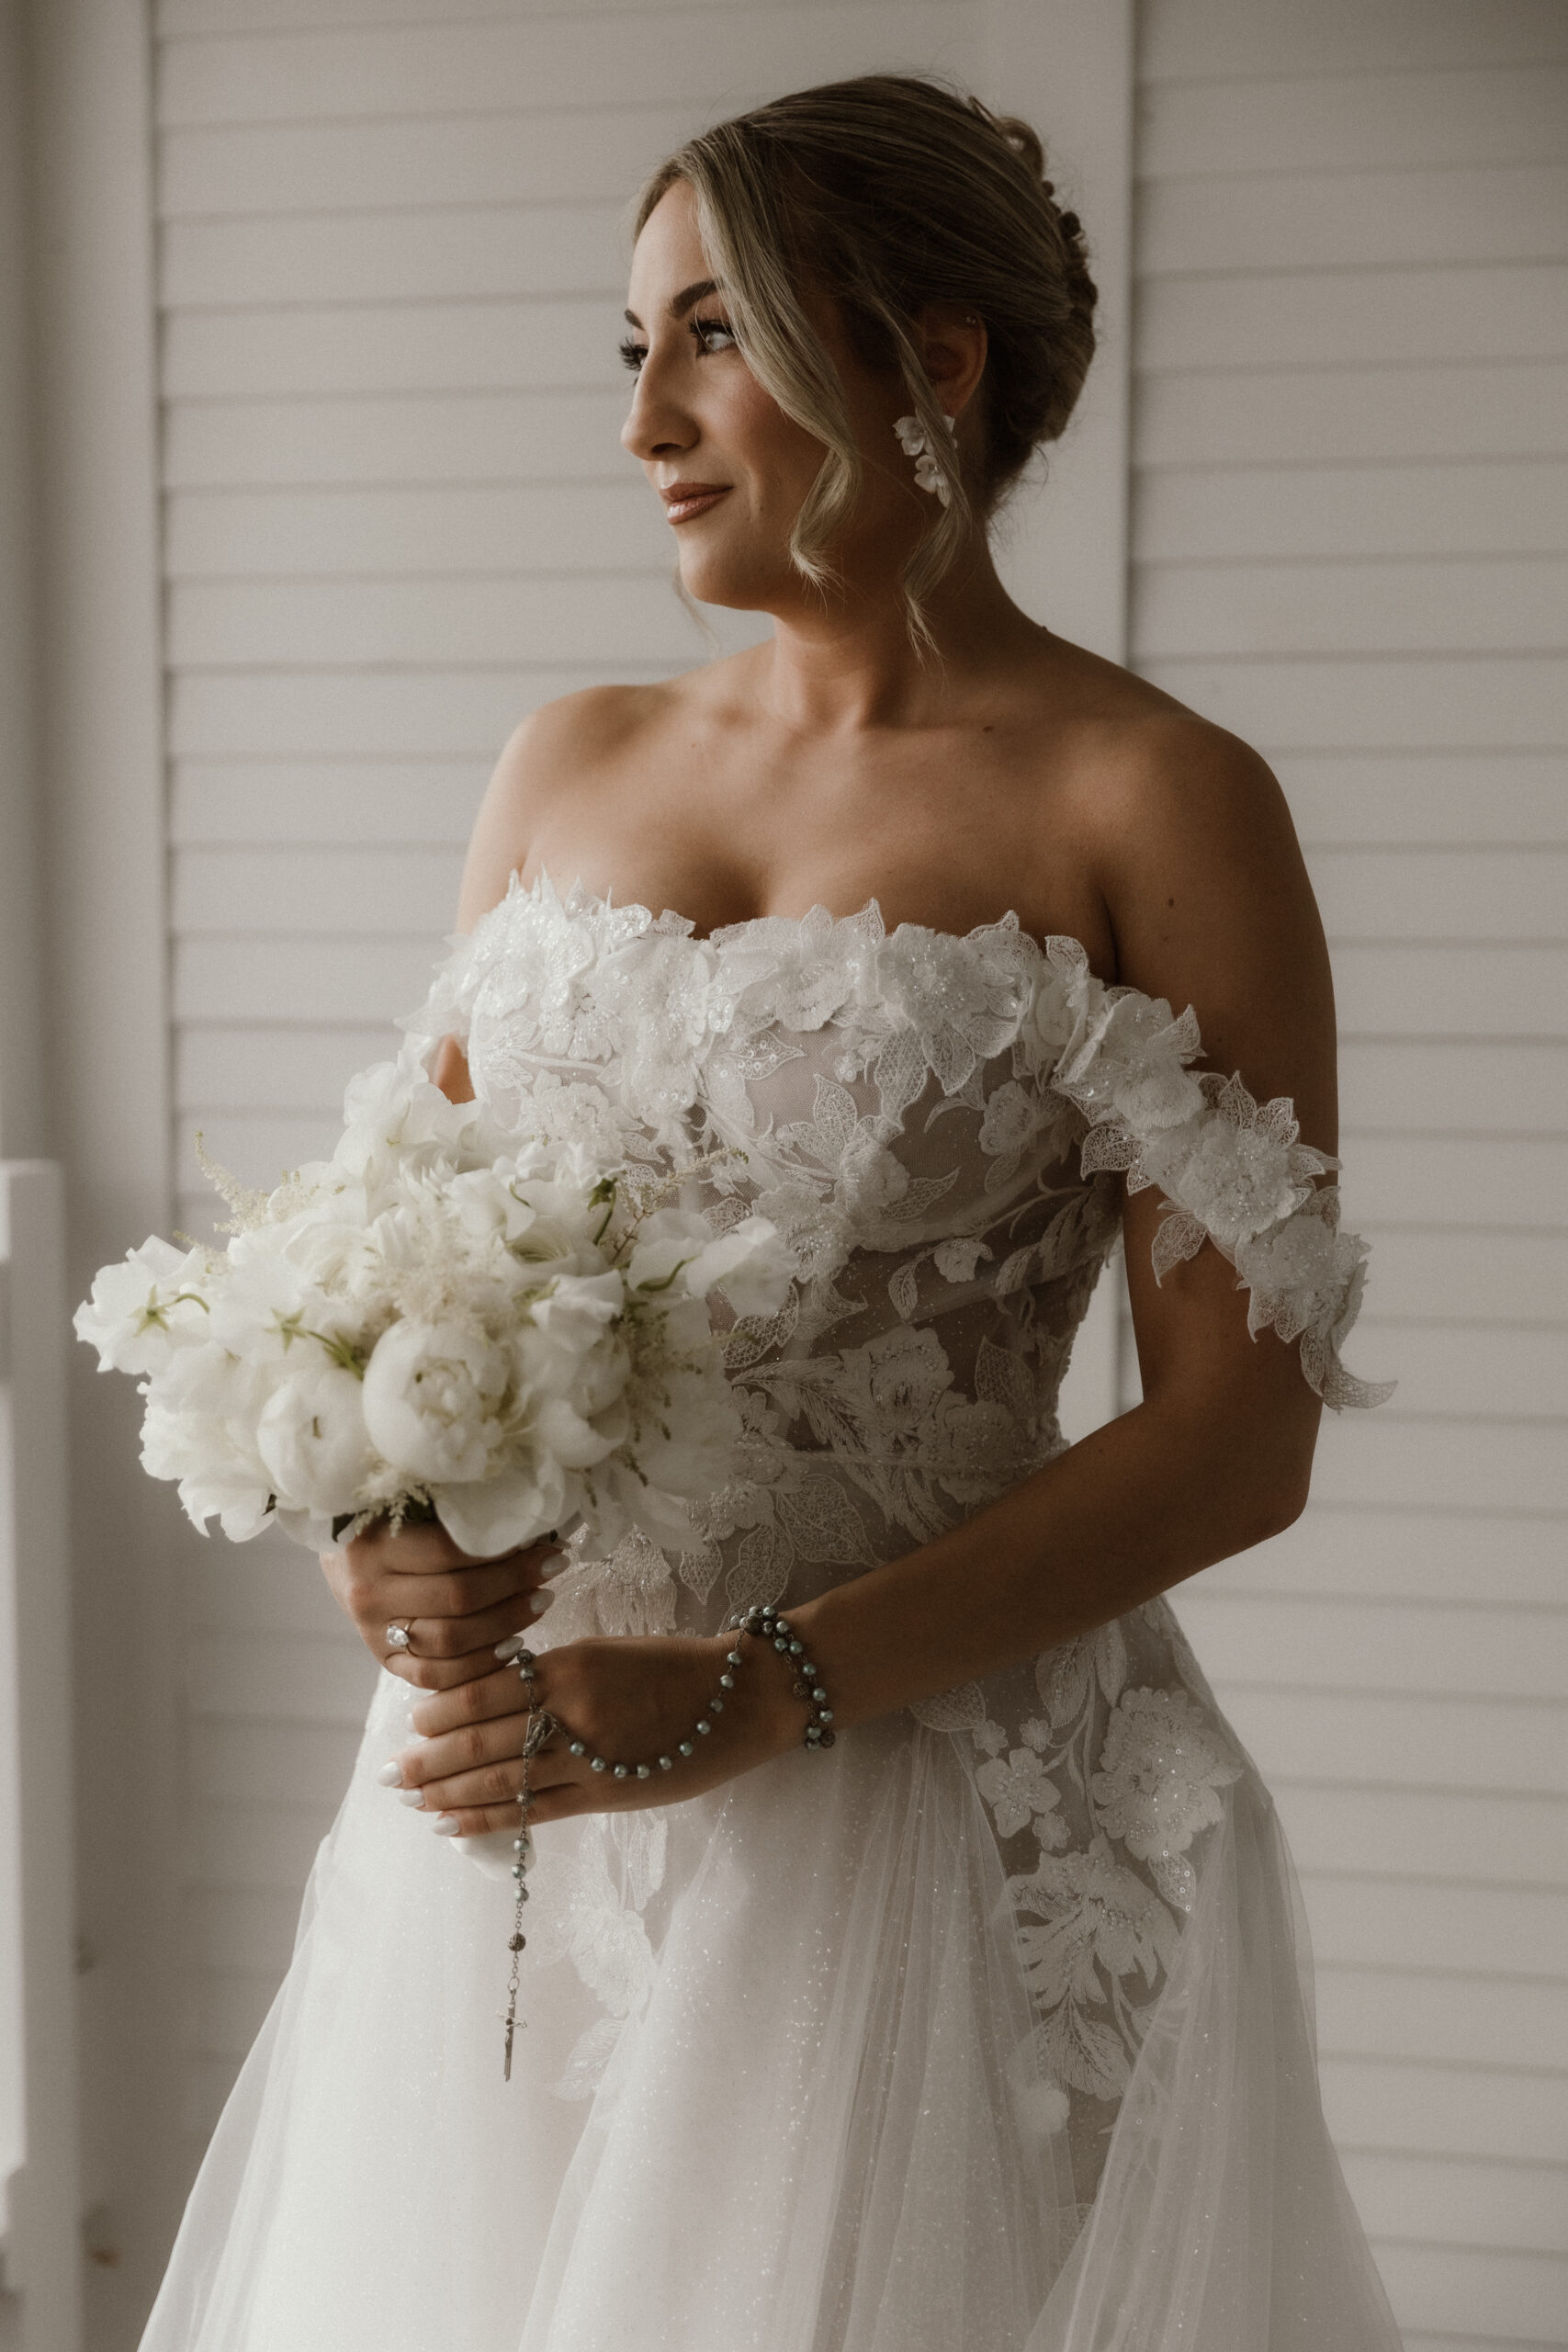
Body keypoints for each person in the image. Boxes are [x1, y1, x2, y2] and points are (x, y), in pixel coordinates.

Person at [141, 75, 1405, 2351]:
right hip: (520, 1806)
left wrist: (763, 1690)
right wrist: (381, 1535)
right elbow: (407, 1276)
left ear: (933, 361)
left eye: (711, 335)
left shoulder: (1152, 799)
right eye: (628, 344)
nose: (643, 417)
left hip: (915, 1817)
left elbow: (1237, 1433)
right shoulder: (563, 760)